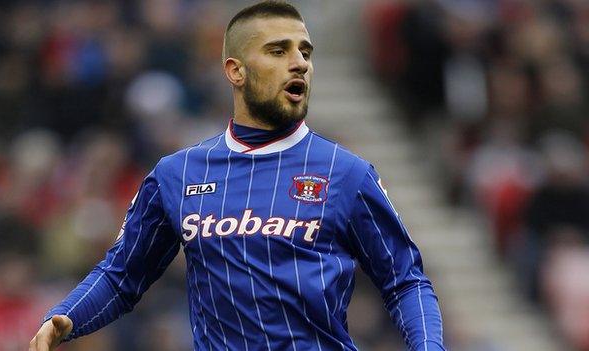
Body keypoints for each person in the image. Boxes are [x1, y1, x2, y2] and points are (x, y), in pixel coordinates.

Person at [29, 1, 445, 350]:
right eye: (278, 51)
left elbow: (405, 282)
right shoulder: (178, 174)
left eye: (305, 52)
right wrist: (65, 318)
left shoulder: (346, 173)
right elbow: (122, 276)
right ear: (235, 71)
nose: (299, 63)